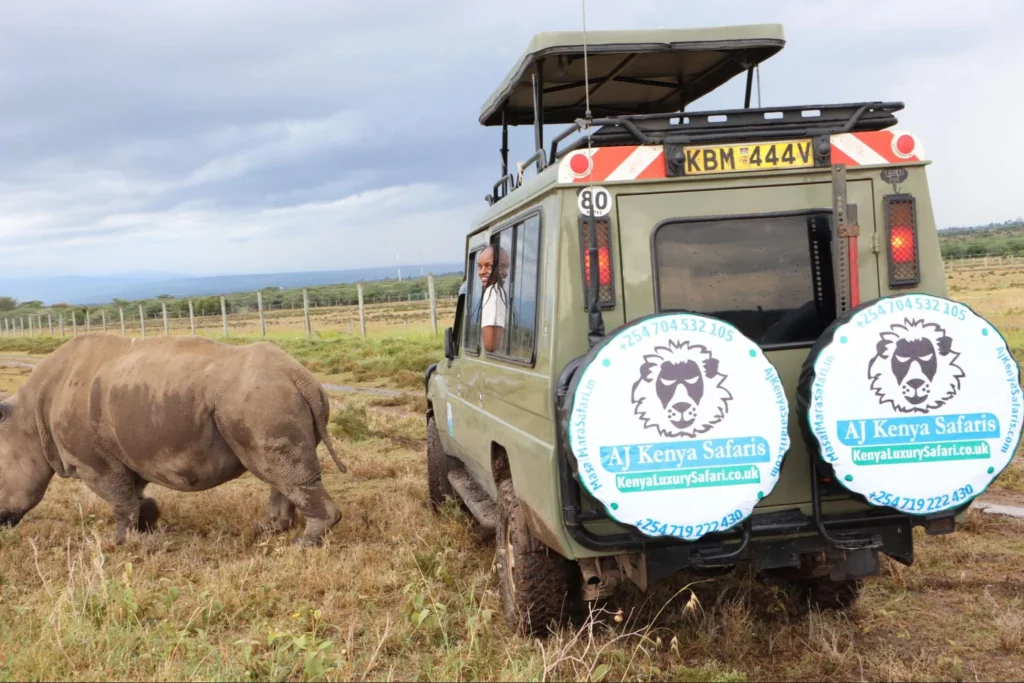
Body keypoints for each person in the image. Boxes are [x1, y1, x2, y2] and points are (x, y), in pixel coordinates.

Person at [477, 244, 509, 353]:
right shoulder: (499, 292)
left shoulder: (492, 293)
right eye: (480, 266)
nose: (481, 272)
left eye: (489, 266)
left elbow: (490, 347)